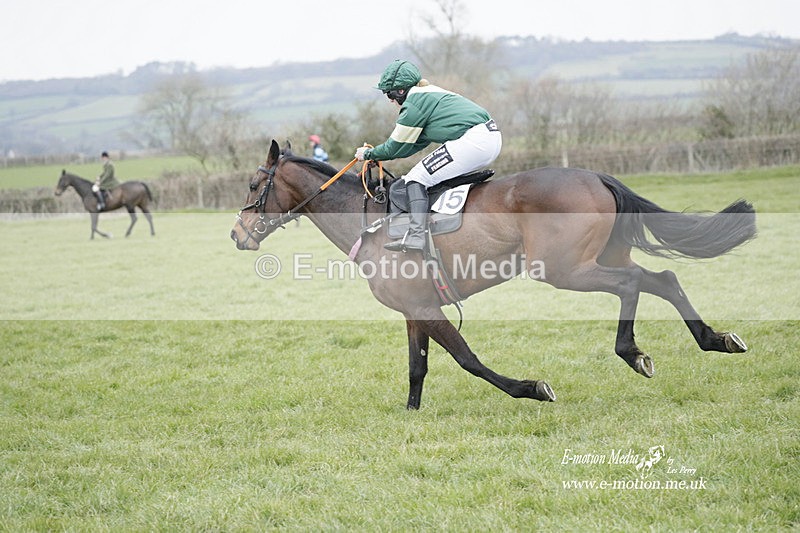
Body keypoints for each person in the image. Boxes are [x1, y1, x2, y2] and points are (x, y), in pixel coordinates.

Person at [354, 60, 502, 252]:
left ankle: (416, 236)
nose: (389, 100)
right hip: (488, 139)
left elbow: (394, 146)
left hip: (474, 141)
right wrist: (380, 156)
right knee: (429, 175)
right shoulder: (426, 94)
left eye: (389, 93)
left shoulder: (415, 103)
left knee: (416, 178)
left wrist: (367, 153)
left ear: (401, 91)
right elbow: (411, 145)